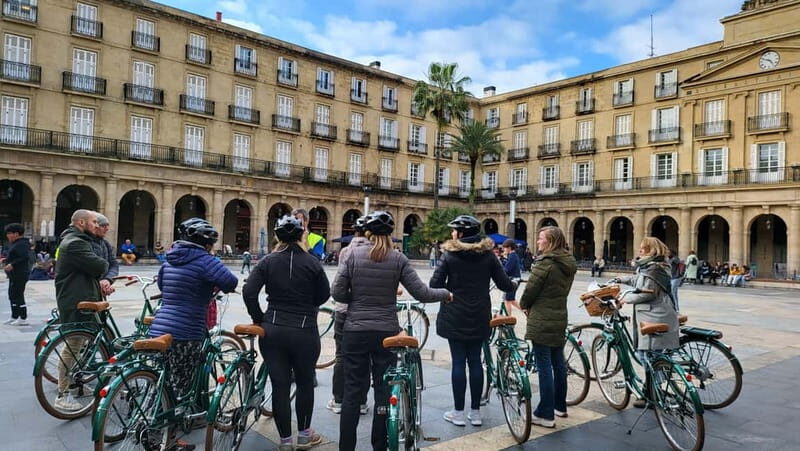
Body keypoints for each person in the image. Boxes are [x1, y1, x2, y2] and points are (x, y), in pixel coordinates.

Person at [332, 211, 451, 451]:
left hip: (354, 331)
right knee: (382, 391)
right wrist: (445, 294)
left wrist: (355, 299)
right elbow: (422, 293)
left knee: (353, 393)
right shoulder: (398, 259)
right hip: (386, 333)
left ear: (368, 233)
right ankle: (379, 445)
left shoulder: (352, 254)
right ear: (390, 235)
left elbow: (337, 292)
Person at [148, 218, 238, 450]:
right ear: (207, 243)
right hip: (187, 330)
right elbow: (230, 281)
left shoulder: (170, 259)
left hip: (159, 327)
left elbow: (162, 285)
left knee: (164, 379)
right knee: (180, 385)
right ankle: (170, 439)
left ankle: (154, 423)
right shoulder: (205, 260)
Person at [243, 215, 330, 450]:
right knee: (303, 384)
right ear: (303, 235)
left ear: (277, 236)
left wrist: (259, 318)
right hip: (305, 330)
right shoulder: (312, 263)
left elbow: (249, 292)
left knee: (279, 386)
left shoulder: (267, 261)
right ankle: (303, 435)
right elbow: (324, 295)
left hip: (273, 329)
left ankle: (284, 441)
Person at [431, 215, 515, 427]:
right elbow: (505, 285)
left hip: (454, 313)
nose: (452, 234)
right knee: (476, 361)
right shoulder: (488, 256)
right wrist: (513, 282)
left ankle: (458, 412)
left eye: (454, 231)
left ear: (460, 234)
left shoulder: (449, 256)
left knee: (459, 362)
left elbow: (435, 284)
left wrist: (450, 290)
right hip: (479, 314)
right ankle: (475, 412)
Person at [519, 226, 577, 427]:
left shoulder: (546, 264)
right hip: (559, 315)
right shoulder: (568, 263)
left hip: (542, 317)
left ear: (550, 242)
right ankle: (559, 406)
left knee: (544, 366)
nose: (538, 242)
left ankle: (545, 414)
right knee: (558, 363)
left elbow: (531, 289)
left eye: (541, 238)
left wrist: (524, 305)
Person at [613, 237, 679, 408]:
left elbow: (648, 293)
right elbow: (640, 281)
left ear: (651, 250)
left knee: (648, 355)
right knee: (650, 355)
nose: (640, 250)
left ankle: (653, 390)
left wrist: (625, 298)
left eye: (643, 248)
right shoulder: (649, 267)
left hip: (656, 315)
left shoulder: (655, 268)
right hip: (653, 314)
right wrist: (622, 279)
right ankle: (651, 390)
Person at [53, 210, 109, 410]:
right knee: (73, 346)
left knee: (80, 345)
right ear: (81, 222)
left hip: (79, 297)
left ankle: (75, 384)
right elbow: (100, 265)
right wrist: (100, 263)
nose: (97, 225)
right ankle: (62, 394)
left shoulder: (76, 240)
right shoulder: (76, 243)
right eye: (94, 222)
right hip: (76, 300)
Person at [327, 215, 370, 415]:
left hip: (344, 310)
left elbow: (339, 286)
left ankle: (338, 399)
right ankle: (361, 401)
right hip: (367, 311)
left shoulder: (346, 251)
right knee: (364, 357)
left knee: (341, 356)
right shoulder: (379, 251)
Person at [3, 223, 32, 326]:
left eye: (9, 233)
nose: (7, 235)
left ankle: (23, 318)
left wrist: (12, 264)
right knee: (12, 295)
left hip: (20, 273)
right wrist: (6, 261)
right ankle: (14, 316)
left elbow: (24, 257)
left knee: (18, 295)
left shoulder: (22, 244)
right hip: (14, 274)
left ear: (16, 234)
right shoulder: (15, 243)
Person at [90, 213, 120, 298]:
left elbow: (114, 264)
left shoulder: (105, 244)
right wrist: (100, 284)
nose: (107, 229)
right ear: (94, 226)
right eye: (103, 226)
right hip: (89, 290)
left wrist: (107, 280)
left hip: (100, 289)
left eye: (107, 226)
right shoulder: (85, 243)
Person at [501, 239, 522, 312]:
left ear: (509, 248)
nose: (503, 249)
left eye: (504, 247)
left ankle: (508, 319)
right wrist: (504, 258)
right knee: (511, 300)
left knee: (508, 300)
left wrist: (499, 273)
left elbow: (507, 269)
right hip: (514, 280)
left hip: (513, 281)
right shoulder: (512, 255)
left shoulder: (512, 256)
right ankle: (526, 312)